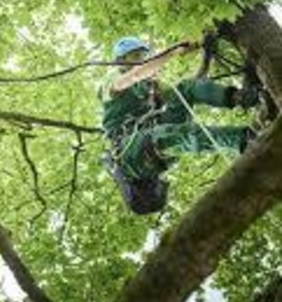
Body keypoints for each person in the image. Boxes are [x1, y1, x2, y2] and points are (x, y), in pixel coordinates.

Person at [101, 36, 258, 214]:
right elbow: (136, 75)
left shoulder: (150, 89)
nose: (142, 60)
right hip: (132, 155)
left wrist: (206, 55)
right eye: (136, 56)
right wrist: (173, 51)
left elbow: (188, 92)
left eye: (143, 55)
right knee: (173, 134)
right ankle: (246, 138)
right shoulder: (110, 85)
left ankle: (240, 98)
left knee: (185, 88)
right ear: (121, 62)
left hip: (156, 138)